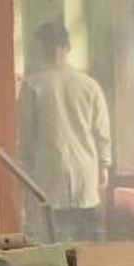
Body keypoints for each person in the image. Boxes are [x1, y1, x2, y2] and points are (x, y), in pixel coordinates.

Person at [17, 21, 111, 242]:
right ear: (68, 47)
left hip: (50, 172)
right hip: (85, 171)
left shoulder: (33, 86)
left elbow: (27, 136)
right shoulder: (89, 85)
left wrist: (28, 169)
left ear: (41, 48)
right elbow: (102, 132)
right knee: (87, 242)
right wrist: (104, 164)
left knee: (55, 241)